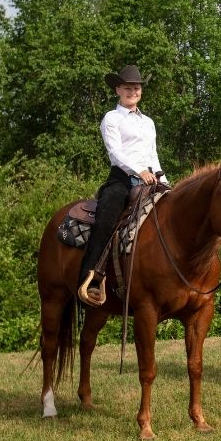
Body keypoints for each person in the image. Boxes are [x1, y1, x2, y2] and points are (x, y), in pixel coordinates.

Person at [77, 64, 169, 306]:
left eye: (136, 87)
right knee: (107, 216)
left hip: (151, 179)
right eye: (128, 87)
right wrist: (137, 171)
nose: (133, 91)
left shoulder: (148, 122)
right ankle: (91, 278)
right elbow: (115, 153)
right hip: (121, 179)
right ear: (118, 89)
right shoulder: (112, 118)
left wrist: (164, 180)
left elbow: (153, 154)